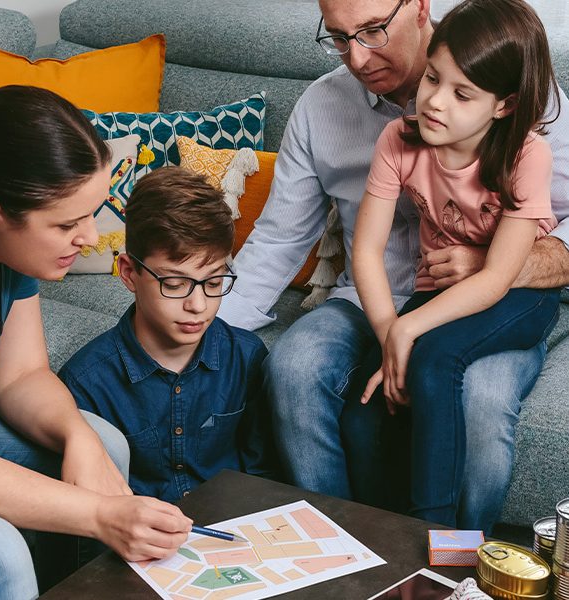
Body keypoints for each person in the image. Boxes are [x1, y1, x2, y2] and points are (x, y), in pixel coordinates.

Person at [216, 0, 569, 533]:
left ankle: (461, 562)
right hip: (368, 297)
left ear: (421, 7)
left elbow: (543, 233)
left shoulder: (523, 99)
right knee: (294, 367)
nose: (356, 58)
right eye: (338, 37)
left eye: (373, 31)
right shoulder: (325, 109)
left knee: (480, 397)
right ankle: (348, 553)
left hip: (485, 298)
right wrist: (200, 327)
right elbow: (279, 238)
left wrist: (498, 262)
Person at [0, 85, 192, 600]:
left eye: (91, 213)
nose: (91, 237)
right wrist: (98, 515)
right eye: (67, 223)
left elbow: (22, 375)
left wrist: (77, 437)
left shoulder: (8, 257)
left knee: (101, 441)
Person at [351, 0, 560, 527]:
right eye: (433, 80)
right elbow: (366, 251)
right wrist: (388, 333)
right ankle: (388, 536)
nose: (436, 102)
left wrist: (410, 330)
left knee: (435, 360)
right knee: (370, 401)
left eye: (462, 93)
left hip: (517, 296)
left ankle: (440, 542)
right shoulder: (399, 139)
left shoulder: (525, 154)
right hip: (438, 292)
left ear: (504, 106)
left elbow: (495, 279)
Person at [59, 167, 277, 503]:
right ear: (129, 273)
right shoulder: (85, 383)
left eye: (214, 283)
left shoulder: (247, 358)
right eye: (174, 284)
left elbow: (262, 477)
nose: (199, 305)